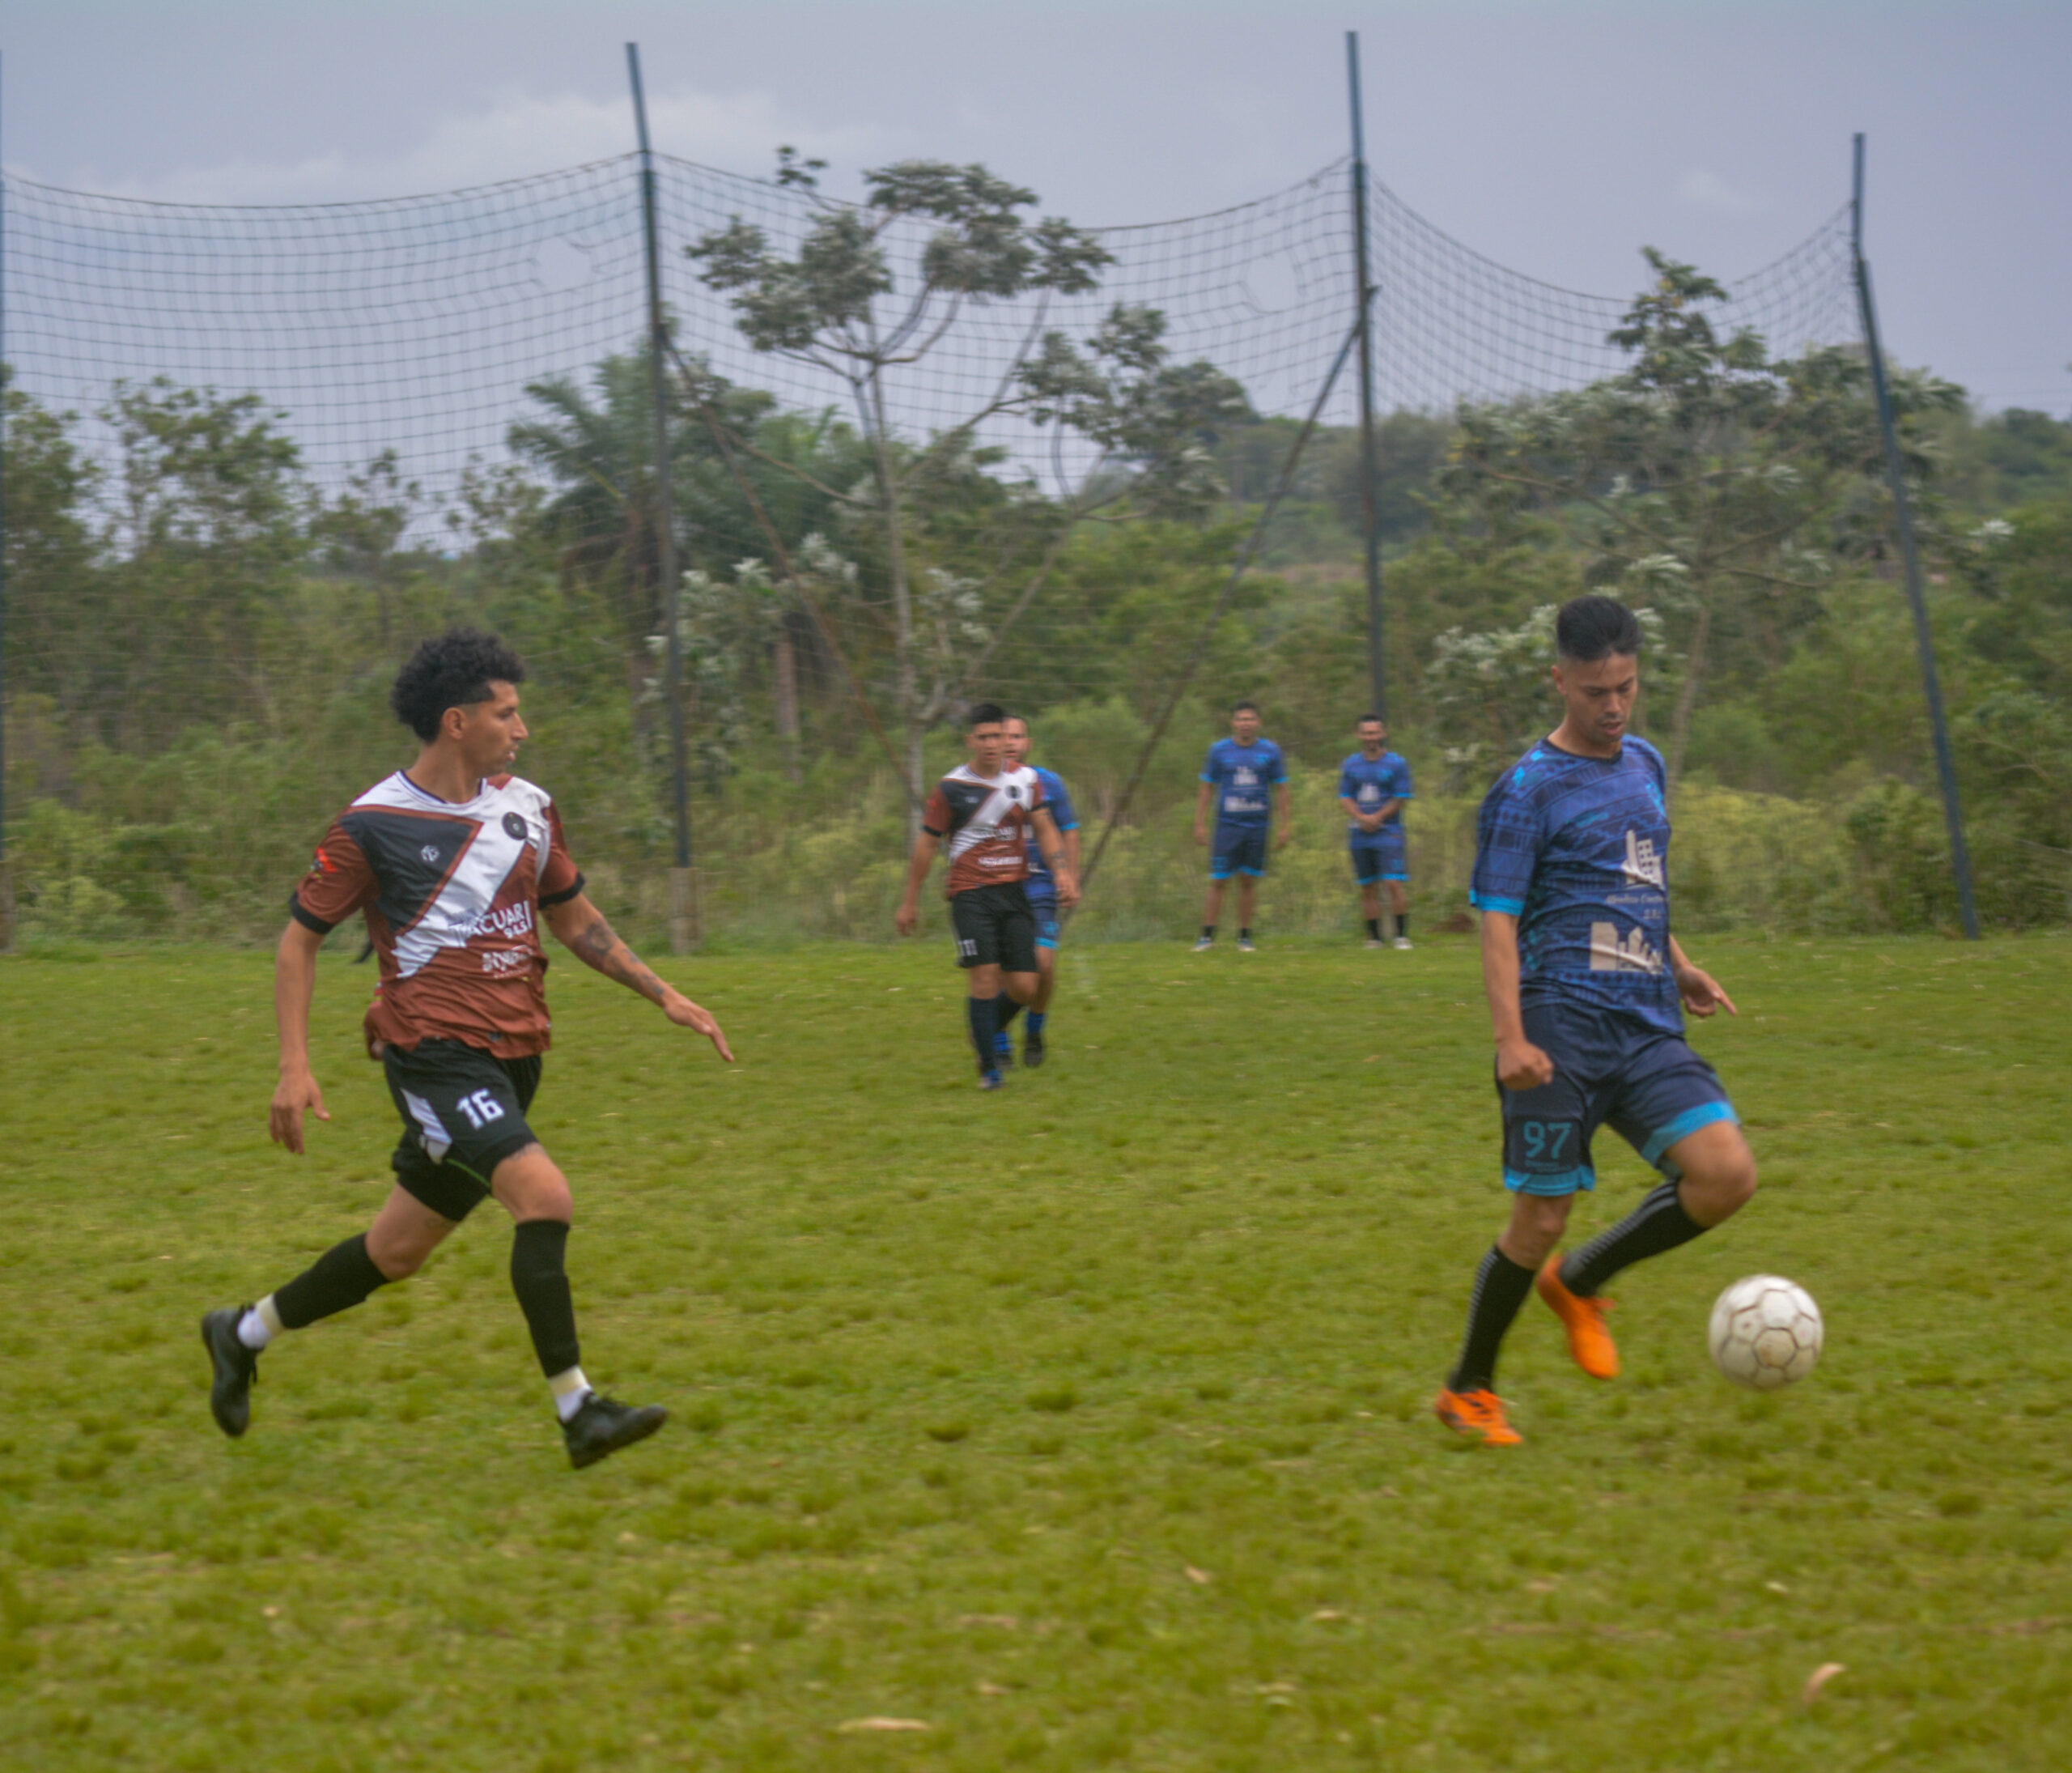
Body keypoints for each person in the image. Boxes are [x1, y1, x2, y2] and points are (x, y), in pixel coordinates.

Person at [200, 629, 734, 1470]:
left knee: (396, 1251)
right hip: (436, 1058)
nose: (521, 729)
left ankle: (241, 1333)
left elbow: (573, 919)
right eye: (506, 713)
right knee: (544, 1196)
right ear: (457, 722)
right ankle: (579, 1411)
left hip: (516, 1056)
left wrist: (663, 993)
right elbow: (299, 942)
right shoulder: (372, 825)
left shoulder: (529, 808)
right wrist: (294, 1067)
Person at [1433, 596, 1758, 1447]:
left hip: (1645, 1020)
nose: (1613, 707)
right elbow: (1497, 920)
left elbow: (1635, 879)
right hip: (1558, 1028)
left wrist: (1678, 962)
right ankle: (1469, 1390)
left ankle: (1579, 1282)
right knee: (1538, 1220)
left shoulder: (1644, 763)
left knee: (1726, 1175)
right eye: (1594, 692)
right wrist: (1510, 1039)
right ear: (1559, 681)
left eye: (1626, 687)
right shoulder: (1526, 791)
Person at [896, 702, 1077, 1090]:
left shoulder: (1027, 780)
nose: (992, 744)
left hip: (1014, 892)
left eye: (997, 736)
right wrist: (910, 901)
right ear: (970, 741)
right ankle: (990, 1071)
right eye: (984, 737)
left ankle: (983, 1028)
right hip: (971, 895)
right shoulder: (951, 788)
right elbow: (927, 845)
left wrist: (1062, 870)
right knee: (983, 981)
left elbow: (1045, 828)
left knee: (1025, 987)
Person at [999, 714, 1082, 1069]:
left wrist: (1070, 878)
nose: (1010, 743)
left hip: (1040, 886)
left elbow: (1069, 831)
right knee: (1003, 966)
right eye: (1004, 736)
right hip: (1000, 886)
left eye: (1017, 736)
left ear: (1028, 743)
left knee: (1043, 966)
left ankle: (1034, 1028)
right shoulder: (981, 785)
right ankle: (999, 1039)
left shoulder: (1048, 783)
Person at [1192, 700, 1290, 951]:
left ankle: (1244, 937)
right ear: (1233, 723)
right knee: (1219, 880)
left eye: (1250, 719)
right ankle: (1207, 936)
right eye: (1241, 719)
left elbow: (1281, 789)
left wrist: (1284, 825)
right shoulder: (1219, 751)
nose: (1245, 723)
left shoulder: (1270, 751)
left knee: (1248, 880)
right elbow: (1207, 787)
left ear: (1258, 723)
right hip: (1227, 826)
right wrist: (1200, 823)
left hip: (1257, 826)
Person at [1338, 714, 1414, 949]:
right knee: (1367, 886)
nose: (1370, 737)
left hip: (1389, 832)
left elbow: (1401, 798)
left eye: (1374, 732)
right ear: (1359, 735)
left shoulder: (1397, 763)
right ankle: (1374, 938)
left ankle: (1401, 936)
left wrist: (1378, 817)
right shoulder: (1351, 764)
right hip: (1360, 834)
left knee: (1393, 883)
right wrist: (1361, 817)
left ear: (1383, 733)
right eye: (1366, 733)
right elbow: (1345, 797)